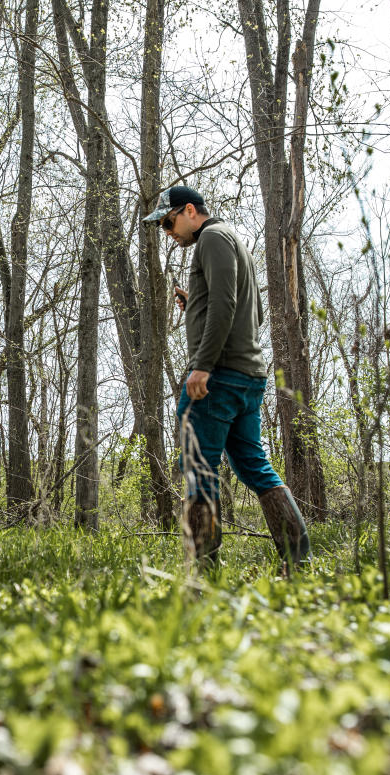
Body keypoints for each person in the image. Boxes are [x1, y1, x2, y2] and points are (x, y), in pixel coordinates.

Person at [142, 186, 310, 570]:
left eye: (168, 223)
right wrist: (196, 305)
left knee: (198, 466)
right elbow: (253, 314)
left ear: (188, 210)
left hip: (217, 378)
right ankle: (300, 563)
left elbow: (224, 304)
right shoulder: (234, 240)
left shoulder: (212, 239)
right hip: (247, 377)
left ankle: (202, 574)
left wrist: (202, 364)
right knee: (253, 466)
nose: (168, 232)